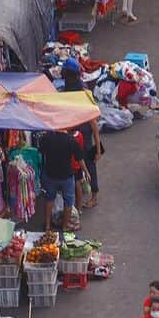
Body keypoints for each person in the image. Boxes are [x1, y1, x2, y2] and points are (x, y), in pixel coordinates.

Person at [62, 58, 101, 208]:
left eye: (65, 72)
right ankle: (79, 193)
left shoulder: (83, 93)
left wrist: (98, 148)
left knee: (88, 165)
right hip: (72, 131)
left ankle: (94, 195)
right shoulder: (66, 89)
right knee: (74, 164)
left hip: (84, 135)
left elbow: (93, 122)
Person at [38, 127, 84, 232]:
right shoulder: (71, 140)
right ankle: (65, 226)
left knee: (49, 198)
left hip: (50, 173)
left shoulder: (46, 137)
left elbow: (41, 153)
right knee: (68, 201)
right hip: (66, 175)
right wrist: (86, 171)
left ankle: (47, 225)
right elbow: (79, 158)